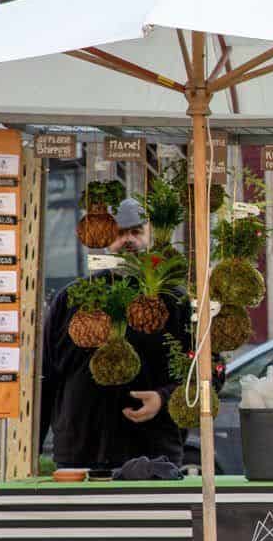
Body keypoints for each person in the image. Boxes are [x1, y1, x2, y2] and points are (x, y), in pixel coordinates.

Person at [40, 198, 193, 469]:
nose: (128, 240)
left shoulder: (173, 301)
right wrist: (30, 453)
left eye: (136, 232)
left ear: (149, 235)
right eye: (120, 233)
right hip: (81, 453)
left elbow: (208, 370)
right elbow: (46, 377)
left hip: (153, 456)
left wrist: (164, 398)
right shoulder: (71, 299)